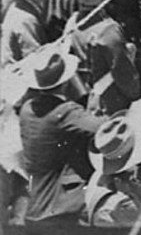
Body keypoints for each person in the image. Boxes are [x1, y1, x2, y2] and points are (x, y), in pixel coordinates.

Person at [17, 48, 103, 226]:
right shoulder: (65, 112)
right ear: (65, 82)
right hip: (60, 206)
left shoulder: (27, 109)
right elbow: (102, 128)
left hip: (34, 203)